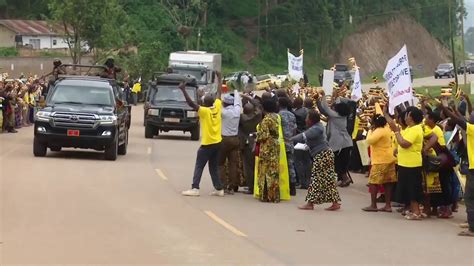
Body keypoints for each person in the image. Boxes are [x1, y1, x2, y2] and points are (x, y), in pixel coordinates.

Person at [180, 72, 225, 197]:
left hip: (207, 144)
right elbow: (219, 93)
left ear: (204, 104)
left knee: (199, 166)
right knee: (213, 167)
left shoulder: (204, 111)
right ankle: (219, 188)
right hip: (217, 142)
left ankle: (195, 188)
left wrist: (183, 90)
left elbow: (191, 104)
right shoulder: (216, 106)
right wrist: (219, 78)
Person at [438, 98, 474, 236]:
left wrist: (446, 108)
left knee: (470, 198)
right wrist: (453, 110)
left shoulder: (472, 129)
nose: (469, 118)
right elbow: (460, 118)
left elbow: (459, 120)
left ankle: (472, 228)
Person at [292, 110, 341, 211]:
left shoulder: (316, 128)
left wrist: (288, 138)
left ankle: (310, 203)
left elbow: (302, 136)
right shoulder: (317, 127)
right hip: (325, 155)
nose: (305, 120)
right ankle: (335, 203)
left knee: (315, 179)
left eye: (307, 118)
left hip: (322, 155)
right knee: (328, 180)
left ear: (311, 120)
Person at [386, 106, 425, 220]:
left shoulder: (416, 129)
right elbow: (402, 141)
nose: (405, 117)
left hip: (412, 163)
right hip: (405, 163)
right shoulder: (409, 128)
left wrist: (397, 132)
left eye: (407, 115)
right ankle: (413, 210)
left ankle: (416, 212)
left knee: (413, 188)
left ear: (411, 117)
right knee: (407, 188)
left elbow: (405, 143)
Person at [317, 90, 353, 187]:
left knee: (334, 161)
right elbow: (337, 105)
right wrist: (335, 97)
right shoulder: (343, 116)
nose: (333, 108)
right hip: (347, 142)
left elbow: (325, 108)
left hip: (339, 143)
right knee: (341, 161)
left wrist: (323, 96)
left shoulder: (335, 116)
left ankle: (343, 178)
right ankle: (344, 179)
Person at [362, 115, 397, 212]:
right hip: (389, 158)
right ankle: (388, 205)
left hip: (380, 160)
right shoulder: (387, 129)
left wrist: (369, 131)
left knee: (373, 182)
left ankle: (373, 205)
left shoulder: (378, 131)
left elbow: (369, 141)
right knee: (388, 182)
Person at [255, 100, 281, 202]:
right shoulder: (275, 118)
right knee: (273, 171)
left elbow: (264, 135)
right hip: (275, 145)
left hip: (267, 147)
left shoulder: (266, 120)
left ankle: (265, 195)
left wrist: (256, 135)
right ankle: (274, 196)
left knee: (265, 171)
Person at [218, 90, 241, 194]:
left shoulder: (224, 112)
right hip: (235, 139)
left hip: (224, 139)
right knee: (233, 164)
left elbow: (217, 101)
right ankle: (232, 186)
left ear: (225, 103)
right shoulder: (237, 110)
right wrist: (236, 91)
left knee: (220, 163)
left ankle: (223, 185)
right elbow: (237, 101)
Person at [239, 98, 262, 194]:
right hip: (256, 142)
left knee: (248, 167)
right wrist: (249, 98)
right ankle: (257, 185)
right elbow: (257, 106)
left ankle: (251, 187)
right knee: (256, 165)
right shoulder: (257, 116)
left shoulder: (241, 118)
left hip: (247, 143)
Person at [279, 96, 297, 195]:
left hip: (281, 143)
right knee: (290, 165)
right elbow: (294, 129)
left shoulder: (278, 116)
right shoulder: (292, 115)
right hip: (290, 142)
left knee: (280, 165)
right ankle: (292, 186)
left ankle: (282, 186)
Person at [293, 97, 311, 189]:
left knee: (298, 160)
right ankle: (309, 181)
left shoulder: (295, 113)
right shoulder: (307, 111)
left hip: (299, 138)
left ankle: (303, 182)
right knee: (307, 160)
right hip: (308, 137)